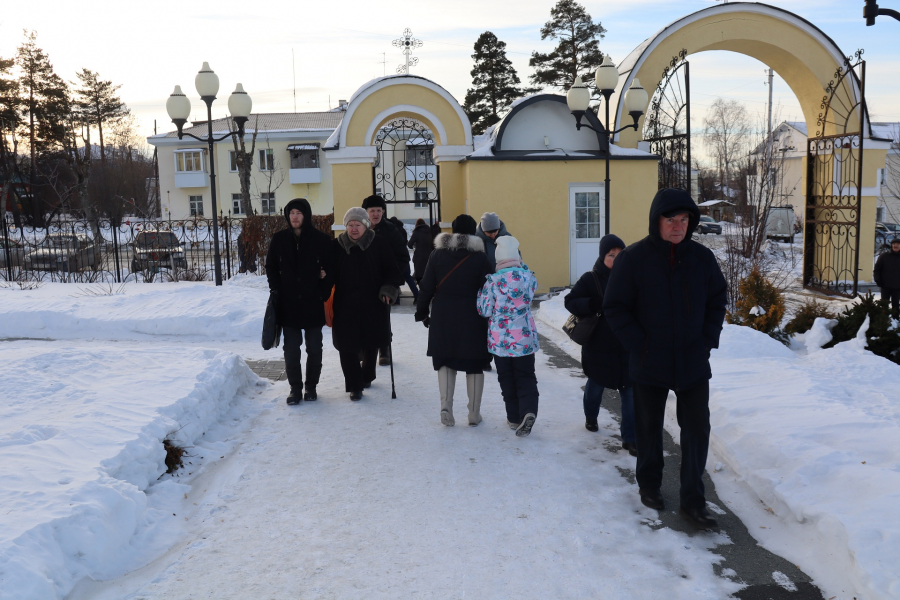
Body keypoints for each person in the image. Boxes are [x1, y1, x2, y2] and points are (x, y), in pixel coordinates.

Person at [604, 188, 727, 529]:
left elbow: (718, 299)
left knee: (697, 430)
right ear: (656, 220)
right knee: (648, 427)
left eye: (684, 219)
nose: (678, 226)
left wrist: (706, 340)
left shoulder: (702, 260)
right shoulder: (634, 259)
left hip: (691, 360)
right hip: (649, 360)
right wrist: (638, 344)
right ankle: (650, 484)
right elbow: (615, 307)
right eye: (670, 219)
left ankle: (693, 500)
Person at [416, 214, 492, 427]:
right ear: (473, 232)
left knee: (445, 359)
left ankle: (446, 407)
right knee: (474, 363)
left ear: (453, 230)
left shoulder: (437, 255)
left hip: (443, 315)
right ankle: (474, 413)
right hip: (473, 317)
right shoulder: (481, 258)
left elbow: (427, 286)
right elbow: (488, 291)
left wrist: (421, 311)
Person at [564, 234, 636, 455]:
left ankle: (629, 438)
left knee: (630, 392)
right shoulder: (590, 279)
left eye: (619, 255)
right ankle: (591, 417)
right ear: (602, 257)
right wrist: (593, 303)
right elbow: (570, 301)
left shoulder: (632, 278)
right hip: (598, 347)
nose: (615, 259)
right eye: (610, 255)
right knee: (595, 386)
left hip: (626, 346)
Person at [265, 198, 334, 404]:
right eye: (291, 213)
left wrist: (322, 293)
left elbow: (331, 270)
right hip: (289, 304)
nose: (294, 217)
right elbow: (270, 266)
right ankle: (295, 388)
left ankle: (311, 386)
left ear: (306, 215)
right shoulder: (279, 239)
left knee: (314, 348)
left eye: (298, 213)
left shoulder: (320, 240)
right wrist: (276, 288)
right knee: (291, 349)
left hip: (313, 303)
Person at [331, 207, 402, 400]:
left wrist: (388, 290)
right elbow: (328, 272)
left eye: (358, 225)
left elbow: (392, 272)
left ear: (366, 225)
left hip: (374, 302)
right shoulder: (336, 246)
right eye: (350, 225)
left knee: (371, 341)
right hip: (345, 304)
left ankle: (368, 374)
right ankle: (355, 385)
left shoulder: (379, 243)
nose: (354, 229)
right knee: (347, 345)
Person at [477, 236, 540, 437]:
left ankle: (514, 418)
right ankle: (528, 410)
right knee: (526, 376)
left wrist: (481, 294)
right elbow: (531, 293)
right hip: (524, 339)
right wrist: (523, 268)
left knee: (506, 378)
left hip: (501, 341)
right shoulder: (528, 277)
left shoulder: (492, 282)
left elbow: (485, 310)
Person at [361, 194, 408, 365]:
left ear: (383, 212)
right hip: (363, 283)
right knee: (362, 317)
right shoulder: (359, 229)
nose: (375, 214)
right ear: (365, 212)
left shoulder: (391, 231)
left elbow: (402, 258)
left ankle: (384, 349)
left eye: (379, 210)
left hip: (384, 284)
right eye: (372, 210)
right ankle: (363, 349)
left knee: (382, 317)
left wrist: (391, 280)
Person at [389, 215, 420, 302]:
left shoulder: (392, 231)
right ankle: (417, 295)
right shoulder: (402, 230)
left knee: (395, 278)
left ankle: (396, 299)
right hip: (404, 256)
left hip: (395, 258)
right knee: (408, 277)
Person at [874, 237, 900, 320]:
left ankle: (895, 322)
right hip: (885, 285)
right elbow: (877, 269)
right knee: (884, 305)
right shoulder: (884, 256)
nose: (895, 246)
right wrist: (878, 280)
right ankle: (883, 322)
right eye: (894, 244)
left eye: (898, 244)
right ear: (891, 246)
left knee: (896, 305)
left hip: (897, 286)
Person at [407, 218, 434, 286]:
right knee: (428, 272)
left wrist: (414, 246)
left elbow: (410, 244)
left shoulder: (417, 232)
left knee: (419, 274)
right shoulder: (429, 231)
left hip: (419, 256)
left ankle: (421, 291)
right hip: (429, 254)